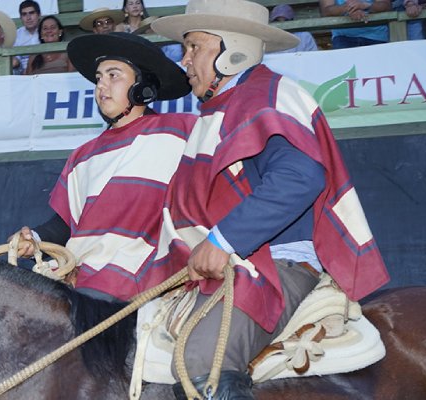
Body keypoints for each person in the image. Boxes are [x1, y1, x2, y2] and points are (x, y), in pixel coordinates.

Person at [150, 0, 389, 397]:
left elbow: (300, 178)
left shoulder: (265, 95)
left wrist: (221, 240)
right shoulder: (221, 110)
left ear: (233, 50)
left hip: (278, 262)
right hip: (234, 262)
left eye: (194, 47)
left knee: (199, 360)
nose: (185, 60)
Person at [13, 32, 196, 309]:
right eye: (99, 78)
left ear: (143, 87)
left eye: (114, 76)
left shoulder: (182, 131)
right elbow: (64, 226)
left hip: (145, 283)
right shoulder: (81, 156)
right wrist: (33, 240)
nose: (102, 86)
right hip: (77, 280)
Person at [319, 0, 392, 48]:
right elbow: (326, 11)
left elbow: (386, 5)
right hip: (343, 37)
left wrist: (366, 5)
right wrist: (349, 8)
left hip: (377, 35)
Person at [14, 0, 42, 74]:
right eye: (24, 14)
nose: (28, 17)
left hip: (45, 72)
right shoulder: (16, 35)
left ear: (39, 15)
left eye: (31, 13)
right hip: (22, 76)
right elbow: (15, 62)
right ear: (20, 17)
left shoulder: (47, 31)